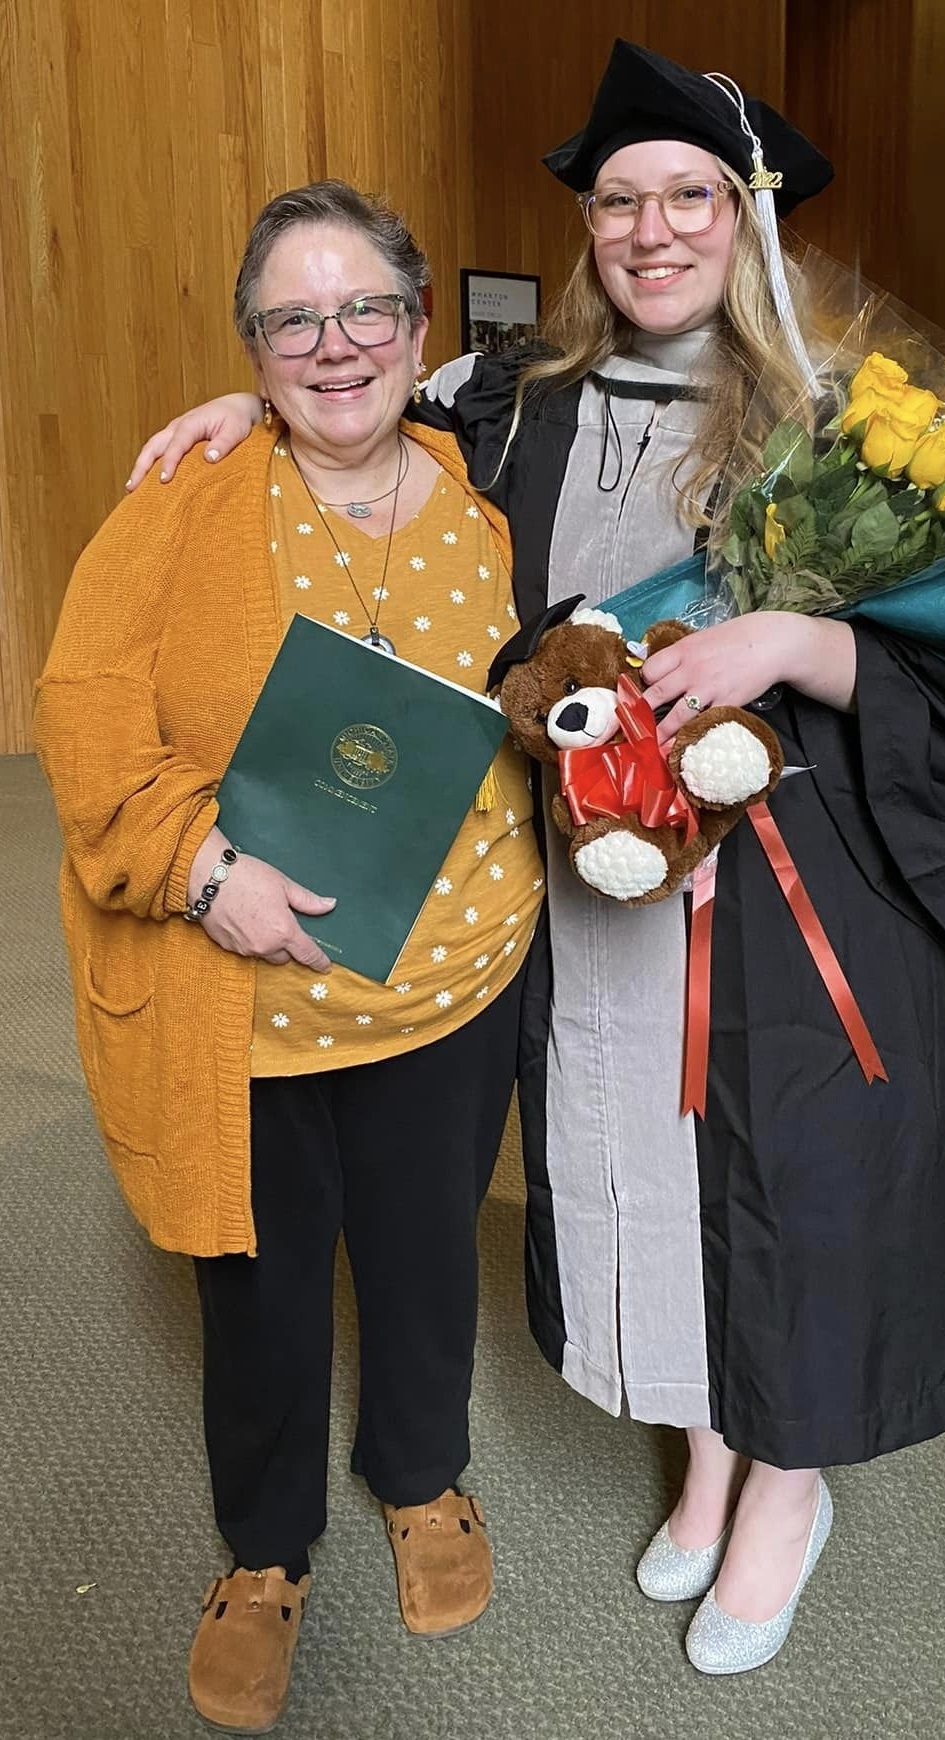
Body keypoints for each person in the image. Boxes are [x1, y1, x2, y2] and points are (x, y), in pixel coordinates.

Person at [128, 41, 945, 1677]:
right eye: (617, 199)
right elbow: (351, 414)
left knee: (793, 1174)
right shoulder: (514, 403)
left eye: (686, 196)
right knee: (652, 1165)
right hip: (596, 873)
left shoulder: (861, 418)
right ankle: (705, 1450)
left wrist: (793, 641)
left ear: (744, 217)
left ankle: (785, 1485)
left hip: (803, 881)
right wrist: (246, 404)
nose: (648, 228)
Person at [35, 181, 544, 1733]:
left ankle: (423, 1476)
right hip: (246, 1003)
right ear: (252, 347)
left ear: (419, 327)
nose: (336, 346)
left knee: (421, 1254)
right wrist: (197, 874)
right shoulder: (176, 506)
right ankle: (263, 1552)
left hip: (456, 985)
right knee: (256, 1293)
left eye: (366, 310)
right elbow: (86, 722)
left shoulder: (477, 496)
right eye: (292, 320)